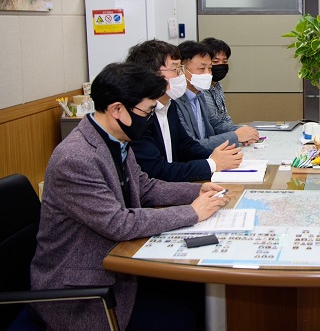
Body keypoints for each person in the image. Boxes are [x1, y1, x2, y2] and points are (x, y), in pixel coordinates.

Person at [30, 62, 229, 330]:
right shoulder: (76, 158)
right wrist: (192, 212)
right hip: (83, 292)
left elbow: (144, 187)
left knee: (199, 293)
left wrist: (197, 190)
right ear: (117, 110)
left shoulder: (115, 140)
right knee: (183, 312)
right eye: (146, 111)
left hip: (117, 267)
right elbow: (118, 223)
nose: (149, 119)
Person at [125, 40, 242, 181]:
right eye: (176, 69)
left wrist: (214, 156)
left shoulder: (169, 105)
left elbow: (185, 145)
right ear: (151, 75)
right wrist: (211, 164)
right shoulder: (138, 115)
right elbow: (156, 171)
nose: (181, 76)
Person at [174, 40, 253, 151]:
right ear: (181, 70)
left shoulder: (199, 95)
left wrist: (244, 131)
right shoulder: (174, 102)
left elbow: (216, 123)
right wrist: (235, 136)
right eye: (202, 69)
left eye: (210, 68)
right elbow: (190, 146)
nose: (208, 74)